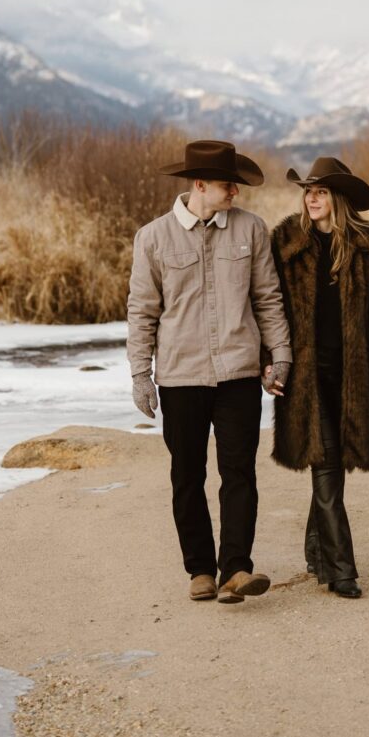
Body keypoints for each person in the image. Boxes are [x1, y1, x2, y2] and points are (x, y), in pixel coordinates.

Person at [127, 140, 292, 604]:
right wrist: (141, 374)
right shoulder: (153, 237)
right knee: (187, 475)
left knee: (239, 471)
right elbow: (142, 312)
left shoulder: (252, 230)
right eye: (227, 185)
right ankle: (200, 570)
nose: (235, 192)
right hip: (180, 377)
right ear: (199, 185)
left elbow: (268, 298)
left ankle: (236, 568)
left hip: (239, 371)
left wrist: (280, 355)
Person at [264, 157, 369, 598]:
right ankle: (342, 570)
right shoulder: (286, 241)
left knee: (332, 466)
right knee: (326, 462)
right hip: (304, 373)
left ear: (338, 198)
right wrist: (268, 361)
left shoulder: (367, 243)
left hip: (351, 373)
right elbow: (268, 308)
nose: (311, 198)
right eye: (308, 190)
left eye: (321, 191)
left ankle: (316, 550)